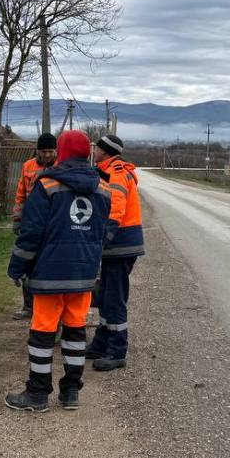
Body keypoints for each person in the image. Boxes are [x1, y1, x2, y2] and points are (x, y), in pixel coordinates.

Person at [4, 129, 116, 412]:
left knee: (42, 333)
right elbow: (105, 231)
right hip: (83, 275)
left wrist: (17, 266)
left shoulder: (47, 185)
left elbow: (31, 233)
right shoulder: (103, 188)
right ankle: (70, 392)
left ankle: (38, 394)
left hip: (50, 274)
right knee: (76, 333)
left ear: (62, 152)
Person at [87, 134, 144, 371]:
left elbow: (116, 207)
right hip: (118, 245)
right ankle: (102, 342)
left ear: (105, 151)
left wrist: (104, 238)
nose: (94, 151)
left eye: (97, 148)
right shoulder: (108, 170)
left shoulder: (117, 172)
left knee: (115, 297)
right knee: (105, 295)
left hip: (121, 244)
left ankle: (117, 350)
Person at [10, 132, 58, 319]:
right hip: (31, 221)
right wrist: (17, 218)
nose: (47, 155)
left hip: (53, 222)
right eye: (43, 151)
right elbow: (21, 194)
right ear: (37, 150)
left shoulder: (61, 166)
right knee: (27, 263)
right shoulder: (27, 166)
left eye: (50, 151)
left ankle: (46, 307)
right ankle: (28, 306)